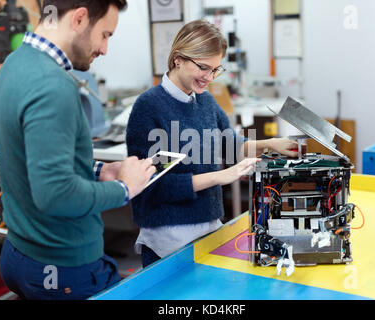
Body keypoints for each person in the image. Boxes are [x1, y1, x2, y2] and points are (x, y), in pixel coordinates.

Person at [0, 0, 156, 300]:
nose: (104, 49)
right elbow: (56, 194)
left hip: (19, 255)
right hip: (63, 268)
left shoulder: (13, 66)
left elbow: (33, 158)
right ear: (79, 19)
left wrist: (99, 171)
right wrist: (124, 188)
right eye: (105, 35)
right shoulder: (54, 86)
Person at [126, 20, 298, 268]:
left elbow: (231, 145)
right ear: (178, 59)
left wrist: (270, 143)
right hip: (166, 239)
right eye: (203, 68)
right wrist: (219, 176)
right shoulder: (150, 107)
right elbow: (155, 186)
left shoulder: (204, 102)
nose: (209, 77)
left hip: (208, 229)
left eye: (216, 70)